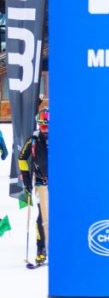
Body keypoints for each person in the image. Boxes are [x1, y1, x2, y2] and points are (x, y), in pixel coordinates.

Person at [17, 108, 49, 267]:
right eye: (42, 125)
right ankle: (41, 250)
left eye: (48, 126)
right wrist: (27, 180)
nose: (45, 129)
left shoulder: (63, 137)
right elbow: (22, 158)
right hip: (41, 183)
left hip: (62, 184)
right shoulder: (33, 140)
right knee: (43, 217)